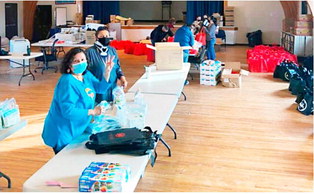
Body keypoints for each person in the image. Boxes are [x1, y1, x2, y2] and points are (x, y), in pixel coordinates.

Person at [42, 47, 112, 154]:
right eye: (76, 61)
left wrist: (107, 72)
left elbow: (100, 88)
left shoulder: (86, 75)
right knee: (65, 161)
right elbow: (68, 111)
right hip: (63, 130)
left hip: (77, 127)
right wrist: (93, 111)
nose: (81, 63)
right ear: (69, 65)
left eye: (83, 60)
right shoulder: (67, 81)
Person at [86, 26, 128, 103]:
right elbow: (85, 73)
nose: (105, 38)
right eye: (101, 36)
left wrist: (122, 78)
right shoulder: (89, 52)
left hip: (113, 87)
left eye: (107, 36)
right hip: (98, 88)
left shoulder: (112, 50)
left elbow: (117, 67)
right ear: (96, 38)